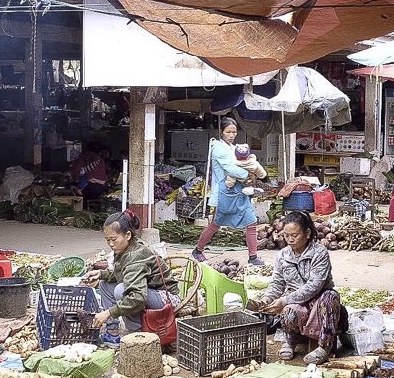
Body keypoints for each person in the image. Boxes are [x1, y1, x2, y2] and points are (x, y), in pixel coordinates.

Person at [251, 211, 348, 364]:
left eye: (295, 235)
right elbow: (277, 282)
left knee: (329, 299)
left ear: (307, 233)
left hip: (320, 297)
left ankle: (325, 346)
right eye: (286, 235)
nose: (290, 239)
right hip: (296, 299)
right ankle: (290, 340)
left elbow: (314, 286)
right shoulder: (282, 255)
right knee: (288, 310)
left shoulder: (319, 252)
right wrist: (267, 298)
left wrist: (284, 300)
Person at [82, 210, 179, 346]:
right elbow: (123, 273)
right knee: (104, 284)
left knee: (121, 291)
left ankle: (138, 335)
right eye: (107, 240)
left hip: (166, 297)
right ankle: (112, 334)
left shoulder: (136, 255)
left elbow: (138, 298)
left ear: (127, 235)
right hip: (148, 290)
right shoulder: (126, 248)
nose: (110, 244)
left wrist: (108, 312)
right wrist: (101, 274)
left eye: (114, 239)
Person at [192, 117, 265, 266]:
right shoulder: (218, 148)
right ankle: (197, 251)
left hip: (238, 191)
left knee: (251, 222)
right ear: (221, 132)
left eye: (234, 132)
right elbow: (230, 168)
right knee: (215, 224)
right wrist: (248, 175)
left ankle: (253, 257)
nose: (231, 135)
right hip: (224, 193)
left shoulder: (233, 147)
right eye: (228, 132)